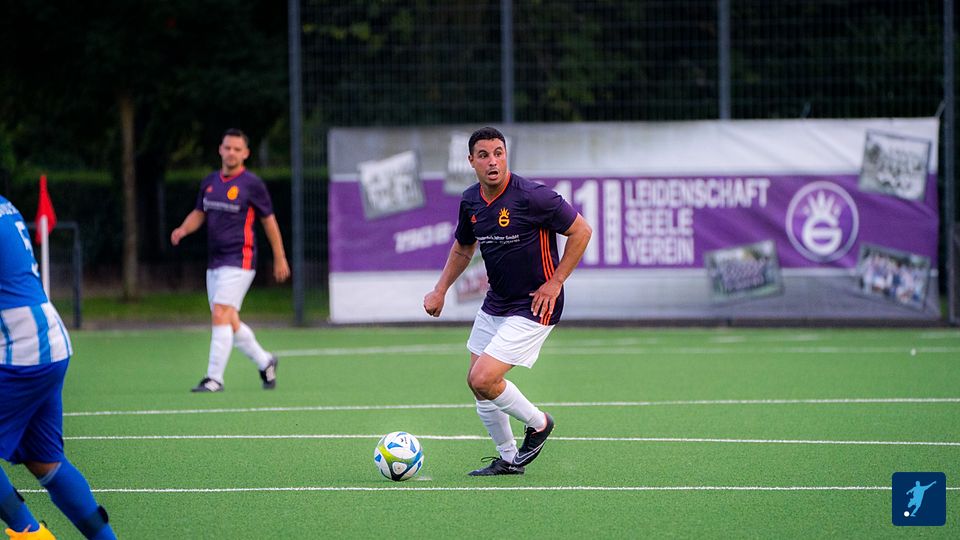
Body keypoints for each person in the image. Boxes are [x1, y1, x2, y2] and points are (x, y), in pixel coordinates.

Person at [423, 127, 592, 475]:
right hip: (496, 303)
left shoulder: (533, 196)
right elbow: (463, 247)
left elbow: (582, 230)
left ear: (506, 156)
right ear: (471, 161)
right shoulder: (471, 201)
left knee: (483, 378)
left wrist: (555, 282)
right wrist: (440, 289)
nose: (493, 161)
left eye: (498, 153)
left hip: (535, 305)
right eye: (484, 155)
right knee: (477, 384)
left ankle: (539, 423)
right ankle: (509, 458)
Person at [0, 195, 117, 539]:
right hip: (47, 344)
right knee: (45, 460)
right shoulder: (5, 204)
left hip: (21, 349)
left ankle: (31, 534)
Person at [171, 128, 290, 392]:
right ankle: (265, 361)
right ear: (220, 150)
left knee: (220, 313)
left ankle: (214, 378)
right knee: (229, 319)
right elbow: (199, 212)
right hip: (215, 261)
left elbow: (269, 221)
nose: (231, 153)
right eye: (227, 148)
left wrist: (280, 256)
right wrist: (183, 229)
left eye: (237, 149)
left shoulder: (252, 184)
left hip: (240, 259)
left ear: (246, 153)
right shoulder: (210, 182)